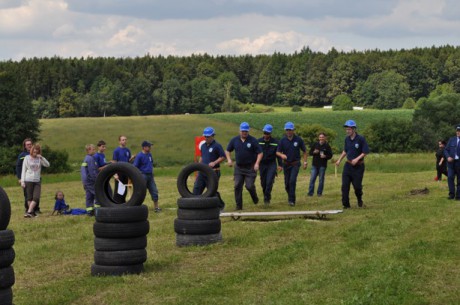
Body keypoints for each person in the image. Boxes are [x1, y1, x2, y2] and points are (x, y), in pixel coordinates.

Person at [225, 122, 263, 210]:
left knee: (249, 186)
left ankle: (255, 197)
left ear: (248, 131)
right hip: (239, 167)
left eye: (246, 131)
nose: (244, 133)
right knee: (237, 185)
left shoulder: (253, 140)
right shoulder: (234, 140)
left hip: (250, 167)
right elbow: (227, 151)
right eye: (243, 131)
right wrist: (229, 160)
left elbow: (260, 153)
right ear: (239, 131)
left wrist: (257, 163)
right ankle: (239, 206)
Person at [335, 120, 370, 209]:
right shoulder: (347, 139)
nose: (347, 131)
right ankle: (346, 205)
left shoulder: (361, 139)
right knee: (345, 186)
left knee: (357, 186)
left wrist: (357, 159)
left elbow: (365, 151)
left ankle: (359, 199)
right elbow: (345, 151)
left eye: (349, 129)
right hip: (348, 166)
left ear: (354, 129)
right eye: (346, 129)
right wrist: (339, 160)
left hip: (358, 166)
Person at [193, 127, 226, 211]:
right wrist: (199, 166)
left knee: (211, 190)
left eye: (208, 137)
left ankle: (220, 205)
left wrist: (214, 162)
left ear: (213, 136)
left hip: (213, 172)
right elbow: (202, 157)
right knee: (196, 189)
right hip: (202, 171)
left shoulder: (217, 146)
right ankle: (194, 207)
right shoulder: (203, 146)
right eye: (205, 136)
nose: (206, 138)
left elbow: (222, 157)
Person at [276, 122, 307, 206]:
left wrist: (305, 162)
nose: (289, 131)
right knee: (287, 184)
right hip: (286, 164)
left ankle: (292, 200)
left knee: (292, 181)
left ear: (293, 130)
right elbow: (277, 152)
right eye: (287, 130)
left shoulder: (298, 139)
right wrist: (281, 155)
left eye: (290, 130)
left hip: (295, 164)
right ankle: (290, 195)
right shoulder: (282, 140)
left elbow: (304, 151)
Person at [21, 143, 50, 218]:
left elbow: (47, 165)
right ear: (31, 150)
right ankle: (32, 213)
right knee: (29, 198)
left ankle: (29, 212)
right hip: (28, 180)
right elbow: (23, 170)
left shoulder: (39, 159)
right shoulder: (27, 158)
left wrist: (42, 158)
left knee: (36, 197)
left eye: (37, 152)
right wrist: (22, 181)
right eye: (34, 151)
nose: (35, 153)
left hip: (37, 180)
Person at [257, 124, 282, 206]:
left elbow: (278, 154)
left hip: (272, 164)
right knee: (263, 182)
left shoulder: (276, 142)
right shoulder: (258, 141)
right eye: (264, 133)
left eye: (267, 133)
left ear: (270, 133)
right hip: (262, 164)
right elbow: (255, 154)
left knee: (269, 182)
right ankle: (266, 195)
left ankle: (267, 198)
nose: (266, 135)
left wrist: (280, 165)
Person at [133, 141, 161, 212]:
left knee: (154, 191)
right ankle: (137, 207)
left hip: (150, 176)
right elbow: (135, 167)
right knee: (141, 192)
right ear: (144, 147)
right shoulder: (139, 156)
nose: (150, 147)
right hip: (143, 175)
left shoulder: (149, 155)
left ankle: (156, 207)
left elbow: (151, 163)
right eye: (149, 146)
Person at [16, 138, 41, 213]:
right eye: (27, 144)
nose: (29, 146)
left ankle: (36, 209)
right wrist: (20, 178)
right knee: (27, 195)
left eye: (30, 144)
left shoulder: (36, 153)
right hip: (26, 178)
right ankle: (28, 209)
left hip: (36, 177)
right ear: (25, 146)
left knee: (36, 194)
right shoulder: (22, 155)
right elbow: (18, 167)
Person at [308, 133, 333, 197]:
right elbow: (310, 153)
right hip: (315, 165)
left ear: (325, 138)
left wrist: (325, 156)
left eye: (322, 137)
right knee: (312, 179)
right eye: (320, 137)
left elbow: (330, 155)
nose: (321, 138)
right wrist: (314, 152)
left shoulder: (327, 146)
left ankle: (319, 193)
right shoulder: (315, 144)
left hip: (322, 165)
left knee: (321, 180)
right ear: (318, 138)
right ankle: (310, 193)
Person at [112, 135, 135, 203]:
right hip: (119, 172)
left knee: (125, 188)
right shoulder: (116, 151)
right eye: (123, 140)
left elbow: (128, 161)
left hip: (126, 172)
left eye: (125, 139)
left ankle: (123, 202)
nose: (124, 141)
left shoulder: (128, 150)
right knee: (119, 189)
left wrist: (132, 158)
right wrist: (115, 174)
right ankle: (116, 202)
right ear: (119, 141)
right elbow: (114, 162)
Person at [81, 144, 99, 216]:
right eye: (93, 149)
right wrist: (96, 179)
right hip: (91, 181)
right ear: (88, 150)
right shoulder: (90, 159)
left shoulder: (85, 158)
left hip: (86, 181)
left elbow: (83, 171)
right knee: (97, 194)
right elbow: (92, 171)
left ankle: (89, 211)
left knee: (89, 196)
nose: (94, 150)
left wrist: (84, 182)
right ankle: (98, 211)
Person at [444, 124, 460, 200]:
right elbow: (446, 150)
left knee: (459, 180)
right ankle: (451, 194)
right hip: (451, 163)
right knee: (450, 177)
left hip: (459, 163)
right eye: (457, 131)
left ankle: (458, 196)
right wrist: (448, 157)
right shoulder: (452, 139)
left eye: (459, 131)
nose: (458, 132)